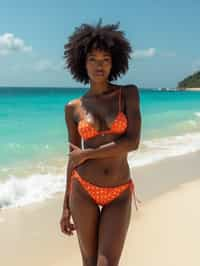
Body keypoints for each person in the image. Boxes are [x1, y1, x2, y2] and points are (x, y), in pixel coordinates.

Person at [60, 19, 142, 266]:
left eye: (105, 59)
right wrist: (64, 206)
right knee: (88, 262)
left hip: (119, 192)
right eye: (93, 59)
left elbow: (132, 142)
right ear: (82, 62)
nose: (99, 65)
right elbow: (72, 158)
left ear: (114, 62)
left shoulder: (127, 94)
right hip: (82, 189)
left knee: (106, 263)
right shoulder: (72, 108)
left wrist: (87, 155)